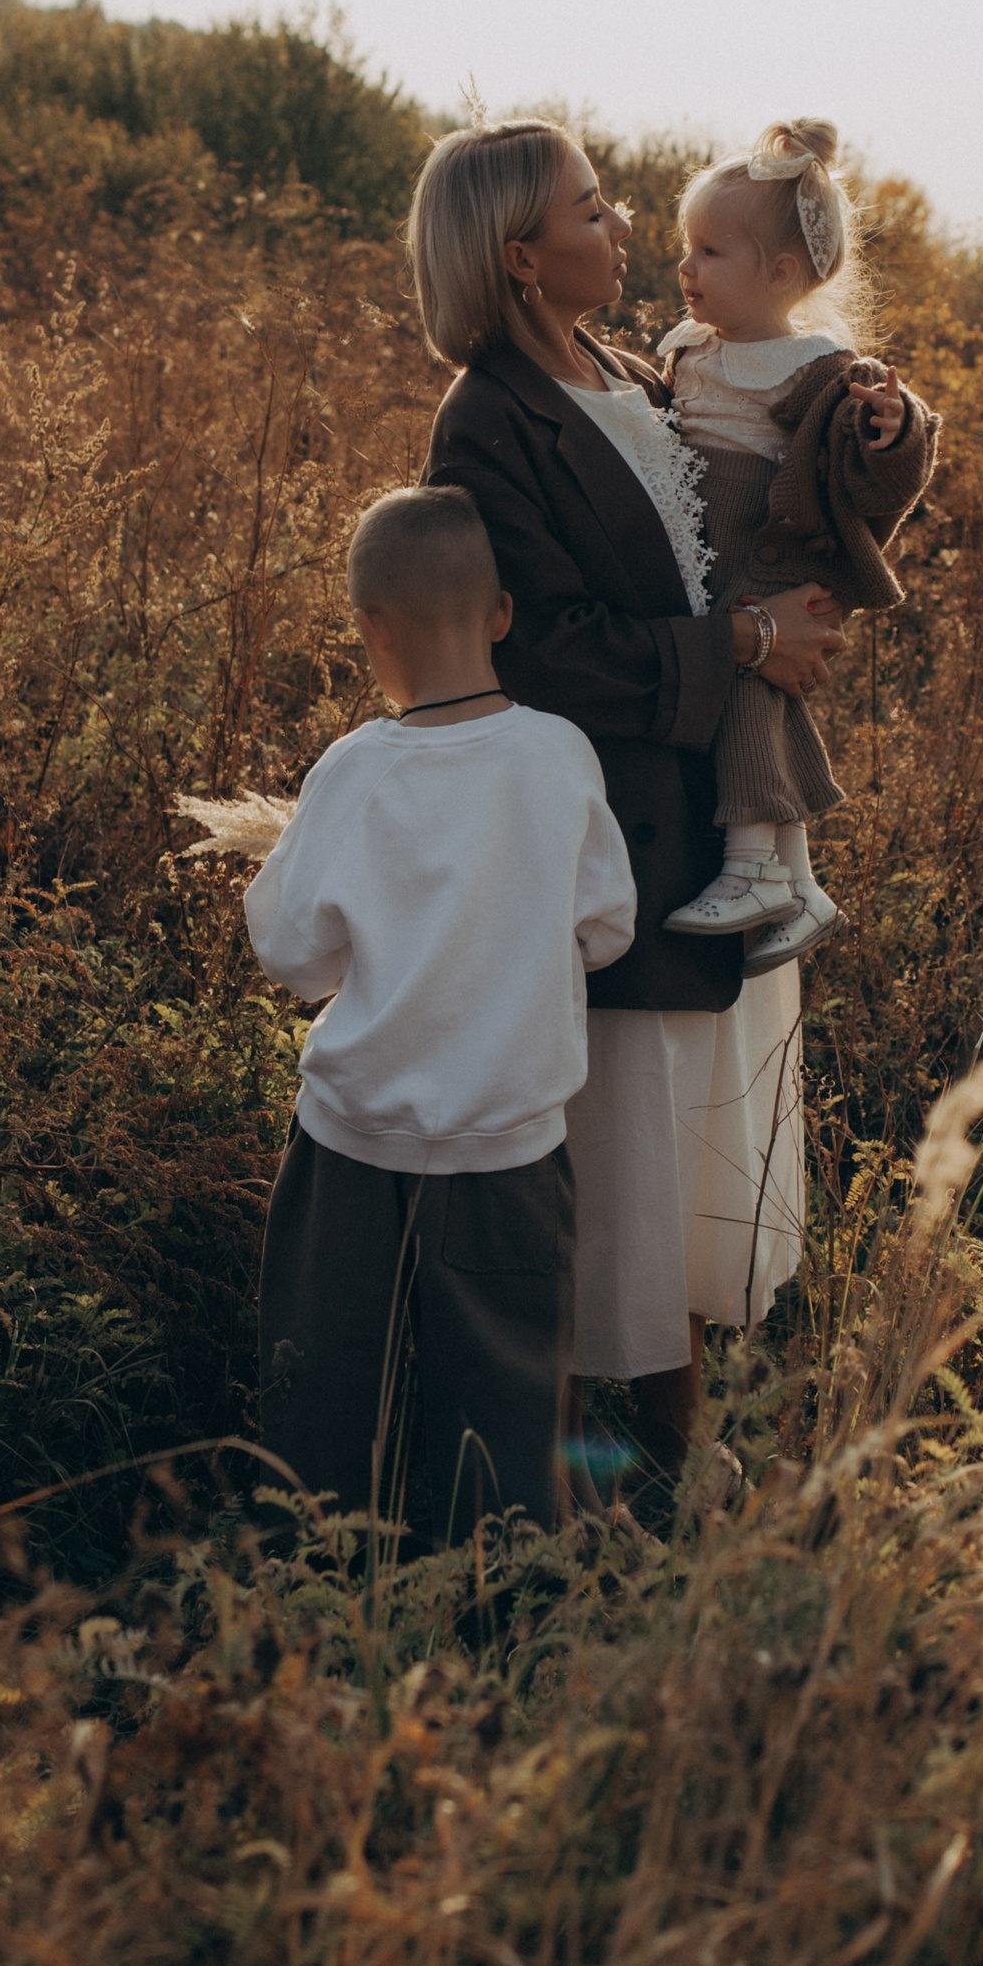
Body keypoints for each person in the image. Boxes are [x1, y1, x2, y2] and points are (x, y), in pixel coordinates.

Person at [413, 118, 850, 1472]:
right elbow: (537, 649)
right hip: (604, 834)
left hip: (703, 816)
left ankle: (673, 1455)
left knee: (690, 1145)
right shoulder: (487, 422)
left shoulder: (636, 371)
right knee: (617, 1154)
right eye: (591, 209)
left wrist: (870, 426)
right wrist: (744, 645)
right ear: (520, 255)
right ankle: (567, 1479)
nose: (620, 227)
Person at [242, 483, 635, 1539]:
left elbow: (292, 956)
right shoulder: (560, 755)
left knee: (322, 1384)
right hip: (509, 1148)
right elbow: (607, 927)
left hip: (352, 1143)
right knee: (508, 1389)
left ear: (369, 625)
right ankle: (501, 1580)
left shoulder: (353, 770)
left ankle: (316, 1569)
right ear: (501, 613)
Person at [656, 118, 937, 965]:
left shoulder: (820, 366)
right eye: (687, 247)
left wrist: (896, 429)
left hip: (763, 543)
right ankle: (802, 882)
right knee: (750, 677)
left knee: (746, 674)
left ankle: (754, 866)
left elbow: (880, 467)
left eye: (711, 252)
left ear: (781, 273)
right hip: (699, 538)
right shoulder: (686, 347)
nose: (687, 267)